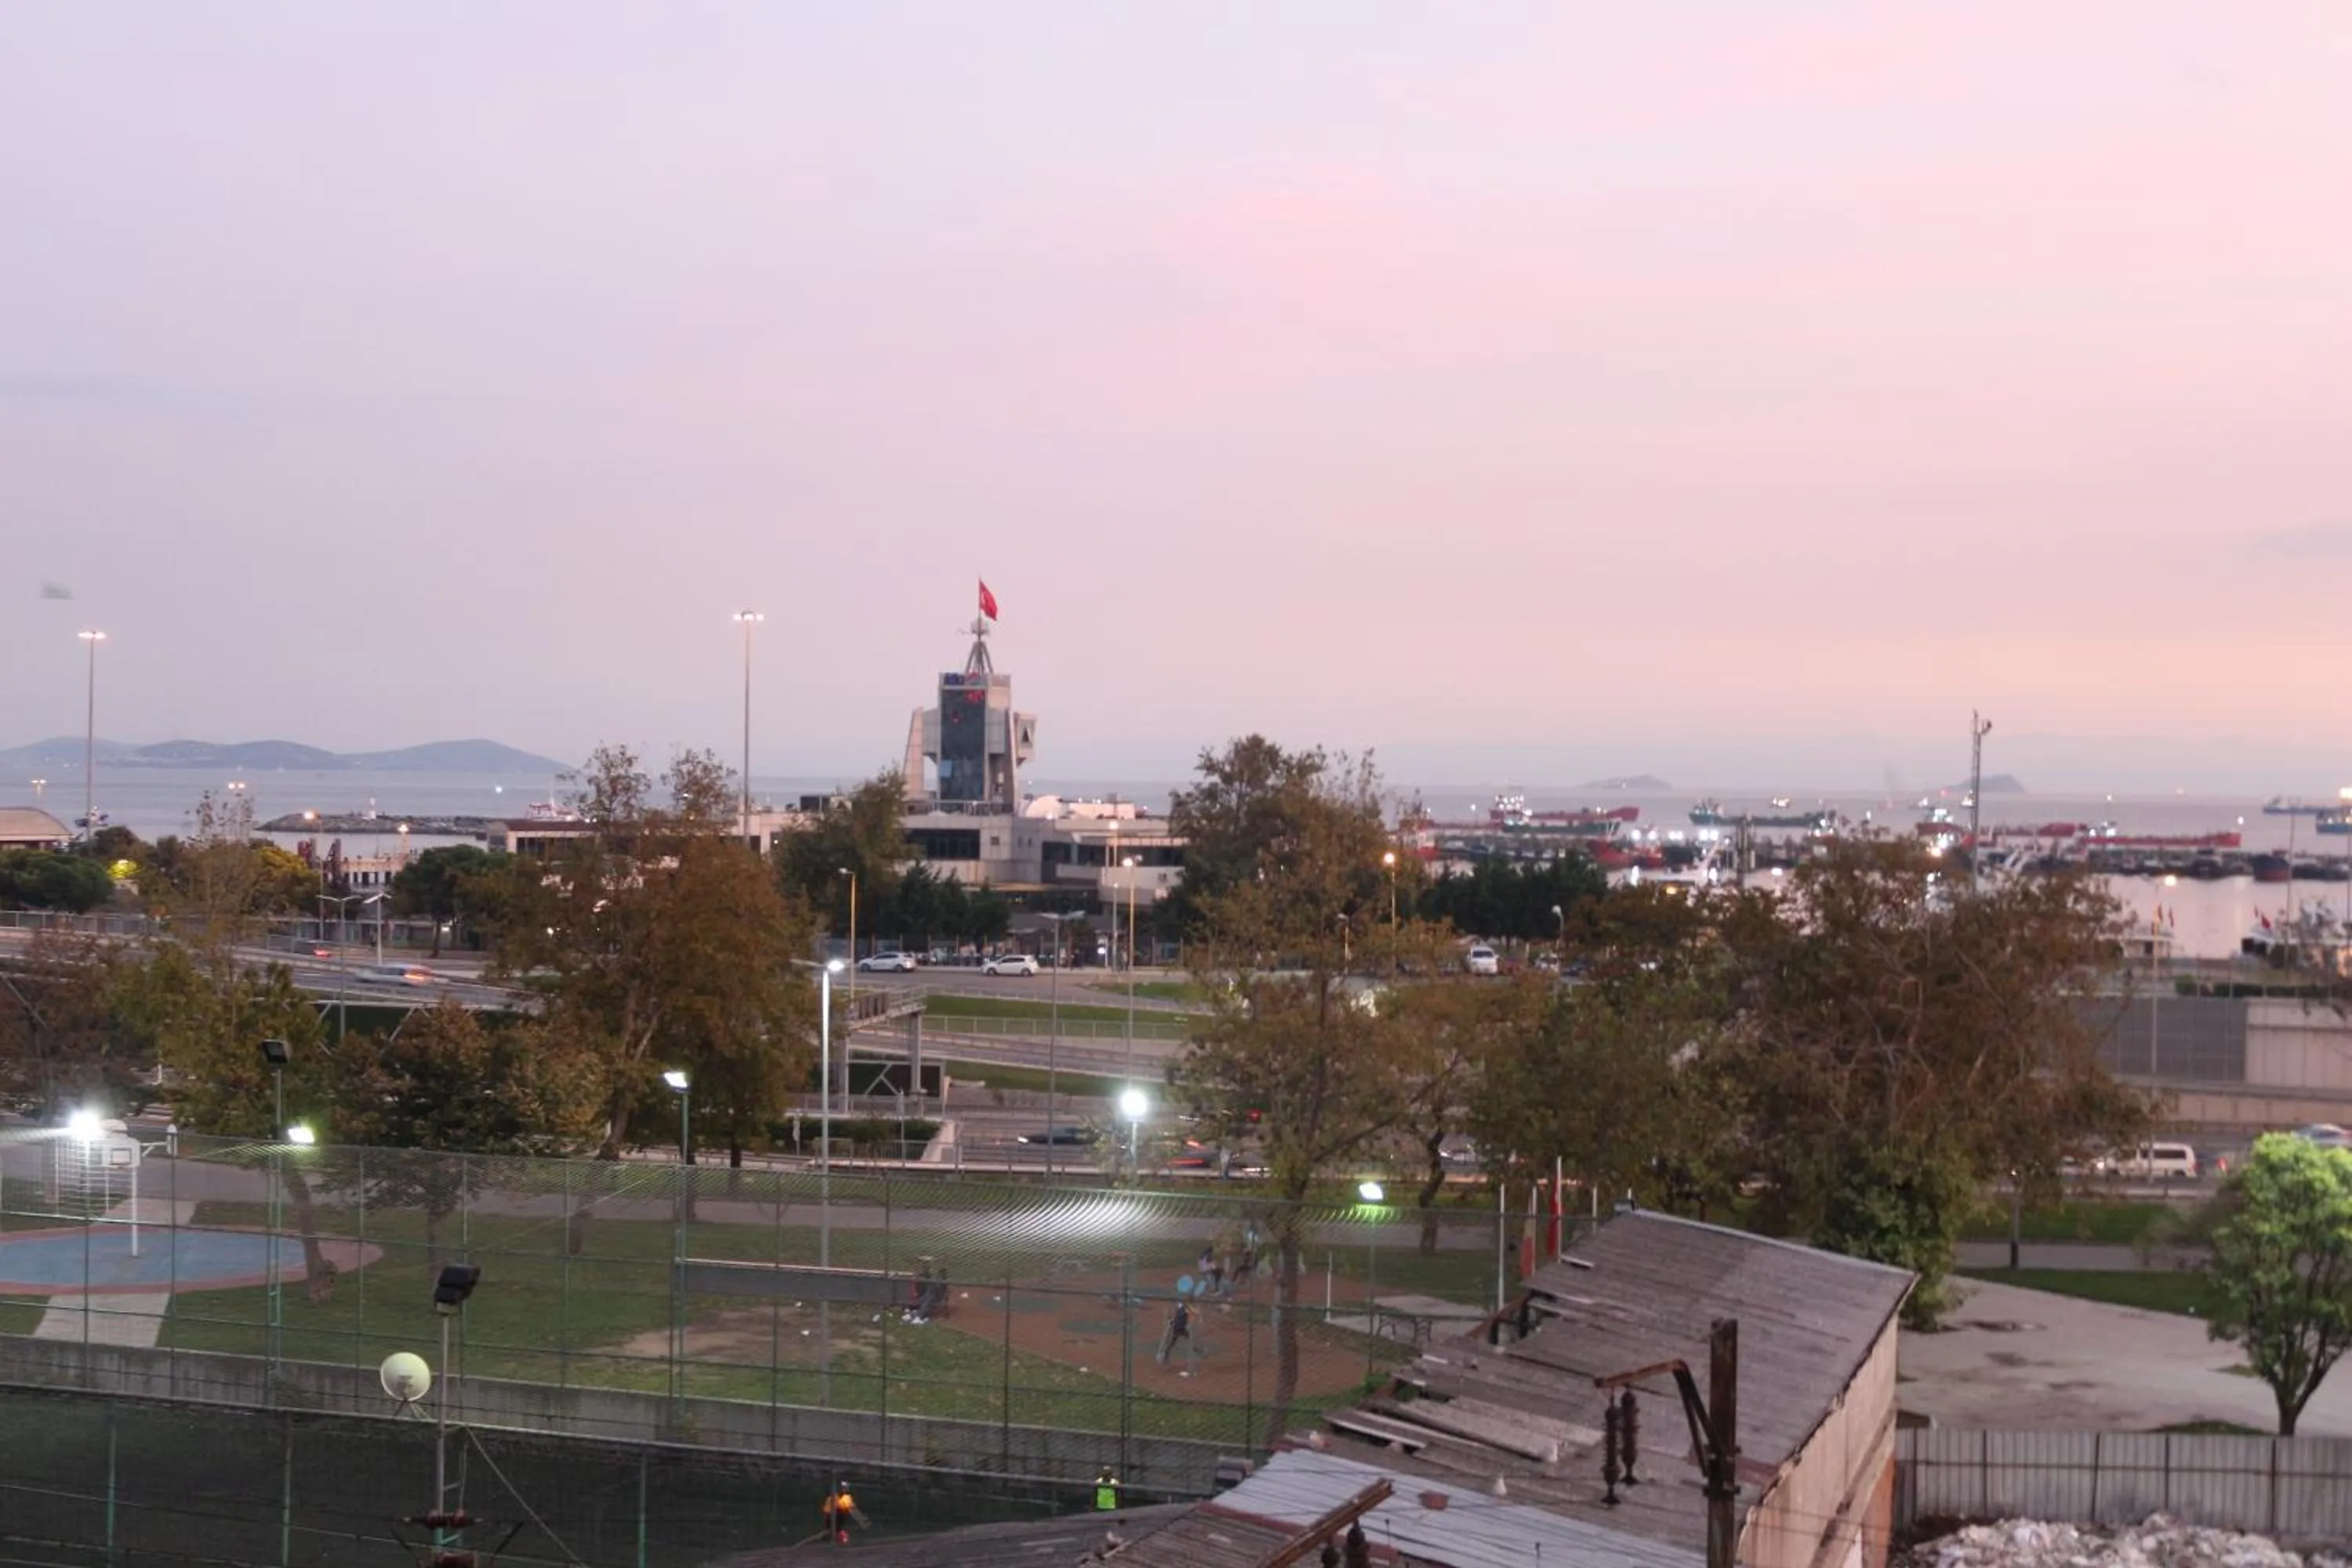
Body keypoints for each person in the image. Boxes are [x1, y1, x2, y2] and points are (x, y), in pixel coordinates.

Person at [820, 1480, 860, 1544]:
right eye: (844, 1488)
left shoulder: (846, 1497)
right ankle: (832, 1537)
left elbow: (851, 1508)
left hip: (839, 1516)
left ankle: (837, 1537)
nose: (845, 1489)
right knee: (832, 1528)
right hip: (833, 1516)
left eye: (846, 1488)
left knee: (837, 1528)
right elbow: (827, 1509)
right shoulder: (833, 1497)